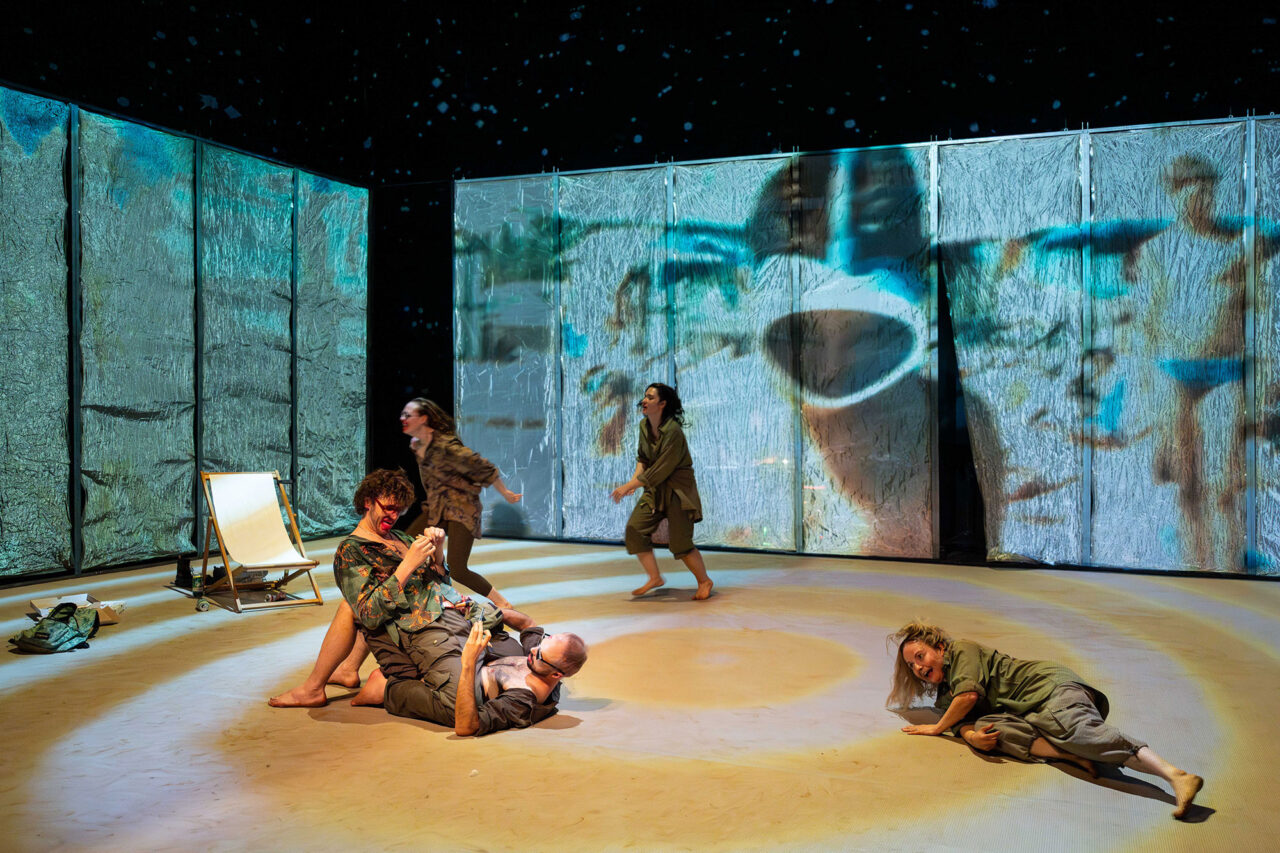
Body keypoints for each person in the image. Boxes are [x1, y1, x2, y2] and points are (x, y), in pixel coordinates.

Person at [887, 621, 1204, 819]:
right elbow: (963, 720)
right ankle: (1070, 755)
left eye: (920, 657)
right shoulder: (945, 695)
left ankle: (1174, 776)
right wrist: (971, 737)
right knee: (988, 729)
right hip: (1031, 712)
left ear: (940, 647)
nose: (918, 668)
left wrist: (937, 728)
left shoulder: (962, 652)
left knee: (1082, 734)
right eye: (912, 666)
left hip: (1050, 690)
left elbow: (968, 697)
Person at [268, 468, 437, 708]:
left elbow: (440, 584)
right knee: (359, 604)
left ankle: (344, 670)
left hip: (430, 619)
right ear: (368, 502)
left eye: (399, 510)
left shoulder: (401, 537)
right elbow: (370, 611)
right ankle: (316, 686)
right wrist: (408, 565)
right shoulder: (353, 549)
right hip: (411, 624)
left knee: (356, 604)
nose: (394, 515)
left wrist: (438, 552)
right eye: (388, 507)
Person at [400, 397, 521, 607]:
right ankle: (424, 596)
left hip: (462, 508)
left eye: (408, 415)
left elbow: (485, 468)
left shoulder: (448, 447)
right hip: (438, 508)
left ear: (423, 419)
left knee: (458, 568)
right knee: (404, 544)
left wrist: (506, 493)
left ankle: (502, 603)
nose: (403, 418)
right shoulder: (418, 445)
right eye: (402, 414)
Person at [610, 382, 713, 600]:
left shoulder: (673, 431)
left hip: (678, 492)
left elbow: (661, 469)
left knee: (681, 544)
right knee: (635, 529)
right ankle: (655, 577)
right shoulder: (644, 426)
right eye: (644, 397)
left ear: (663, 404)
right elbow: (643, 459)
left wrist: (631, 486)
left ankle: (704, 581)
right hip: (654, 490)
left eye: (650, 397)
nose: (644, 401)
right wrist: (633, 481)